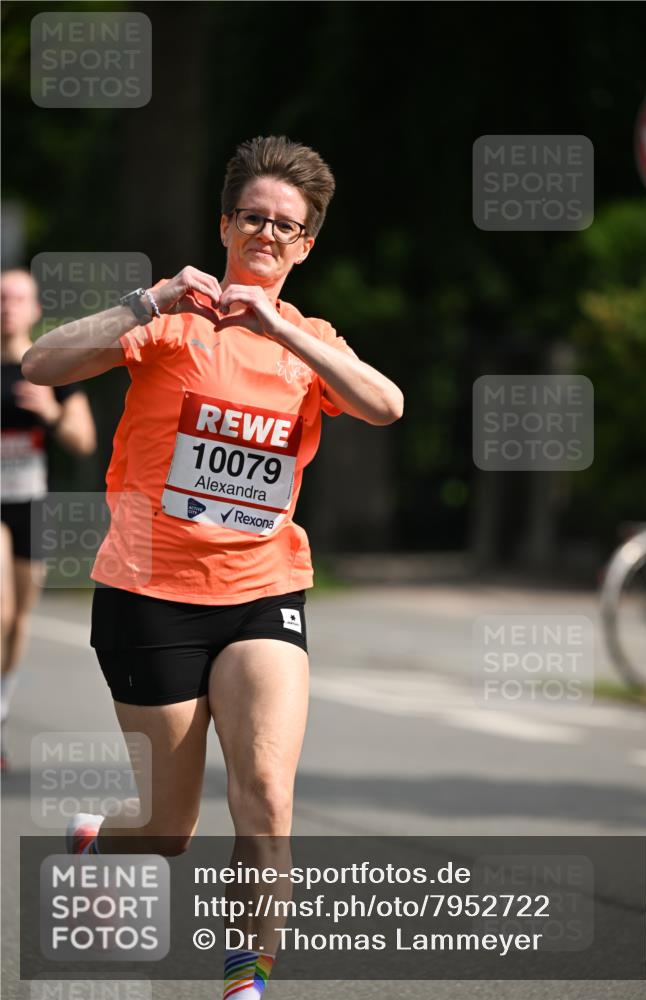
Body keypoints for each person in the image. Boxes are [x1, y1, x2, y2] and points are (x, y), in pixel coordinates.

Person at [21, 135, 404, 998]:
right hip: (148, 591)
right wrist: (144, 300)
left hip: (263, 588)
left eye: (286, 226)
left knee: (266, 797)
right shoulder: (168, 319)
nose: (267, 235)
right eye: (253, 218)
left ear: (305, 245)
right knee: (168, 828)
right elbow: (39, 364)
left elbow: (386, 405)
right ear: (225, 224)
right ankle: (97, 838)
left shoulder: (308, 342)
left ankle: (244, 981)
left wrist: (286, 333)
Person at [1, 268, 96, 769]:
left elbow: (84, 440)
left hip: (32, 504)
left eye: (18, 298)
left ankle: (1, 705)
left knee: (18, 621)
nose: (8, 306)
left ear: (35, 309)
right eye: (1, 297)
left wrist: (50, 411)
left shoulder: (51, 369)